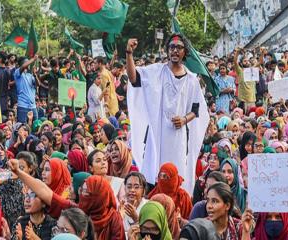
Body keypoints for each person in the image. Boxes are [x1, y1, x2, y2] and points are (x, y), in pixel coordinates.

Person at [126, 34, 209, 193]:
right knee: (154, 175)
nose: (175, 51)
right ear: (167, 50)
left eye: (179, 48)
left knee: (174, 177)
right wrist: (129, 54)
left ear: (185, 52)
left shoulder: (192, 80)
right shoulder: (156, 71)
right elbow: (133, 78)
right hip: (156, 134)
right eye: (172, 47)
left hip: (178, 138)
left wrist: (184, 119)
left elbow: (196, 110)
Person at [78, 175, 125, 240]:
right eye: (82, 190)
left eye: (87, 192)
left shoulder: (113, 218)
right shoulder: (78, 214)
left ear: (99, 196)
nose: (83, 194)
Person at [14, 55, 39, 123]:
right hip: (23, 106)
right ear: (21, 63)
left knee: (35, 126)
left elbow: (38, 84)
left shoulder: (30, 75)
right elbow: (23, 67)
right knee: (23, 127)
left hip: (33, 106)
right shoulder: (17, 73)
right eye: (26, 62)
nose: (28, 63)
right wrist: (33, 59)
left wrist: (35, 75)